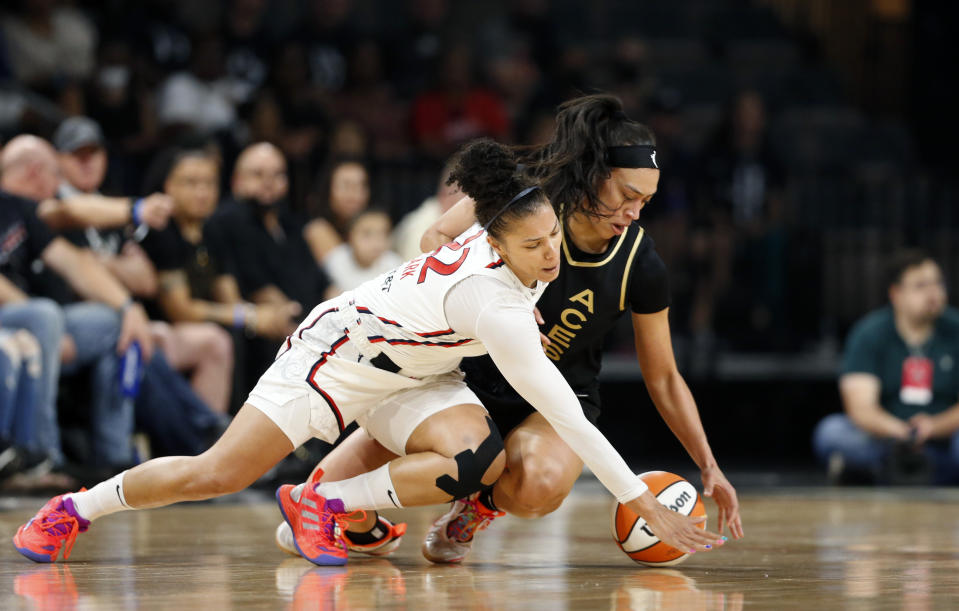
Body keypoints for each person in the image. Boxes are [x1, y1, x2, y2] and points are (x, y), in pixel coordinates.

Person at [13, 138, 723, 567]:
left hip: (418, 366)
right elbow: (566, 414)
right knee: (216, 472)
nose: (549, 260)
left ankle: (322, 502)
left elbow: (489, 213)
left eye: (552, 245)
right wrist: (637, 497)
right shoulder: (495, 302)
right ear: (498, 244)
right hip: (336, 355)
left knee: (478, 459)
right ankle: (77, 507)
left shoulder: (508, 233)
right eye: (533, 249)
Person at [275, 93, 743, 564]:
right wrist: (500, 290)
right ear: (594, 175)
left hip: (556, 397)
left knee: (540, 480)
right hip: (462, 378)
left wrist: (708, 466)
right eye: (627, 196)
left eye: (646, 200)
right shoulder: (528, 202)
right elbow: (435, 238)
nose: (635, 212)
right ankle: (357, 509)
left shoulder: (639, 262)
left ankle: (474, 509)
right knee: (294, 522)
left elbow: (662, 376)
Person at [0, 135, 154, 470]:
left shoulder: (17, 207)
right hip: (22, 319)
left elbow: (73, 263)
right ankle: (43, 458)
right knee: (43, 314)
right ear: (36, 171)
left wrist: (128, 307)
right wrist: (44, 323)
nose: (58, 185)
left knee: (111, 323)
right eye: (55, 174)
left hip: (35, 319)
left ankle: (115, 460)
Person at [813, 249, 959, 485]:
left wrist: (933, 427)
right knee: (831, 432)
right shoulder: (870, 333)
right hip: (888, 439)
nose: (933, 293)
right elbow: (860, 407)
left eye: (938, 283)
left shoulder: (955, 328)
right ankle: (902, 468)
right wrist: (902, 431)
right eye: (921, 286)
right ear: (896, 294)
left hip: (944, 436)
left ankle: (878, 472)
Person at [323, 209, 402, 291]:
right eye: (367, 234)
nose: (376, 242)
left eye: (383, 233)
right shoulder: (335, 261)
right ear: (350, 236)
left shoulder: (394, 264)